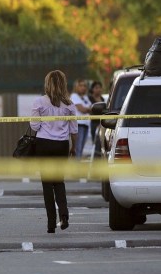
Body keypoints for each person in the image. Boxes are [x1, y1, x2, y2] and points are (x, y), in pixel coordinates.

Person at [30, 70, 78, 233]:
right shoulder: (69, 104)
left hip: (44, 144)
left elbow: (34, 126)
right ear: (63, 84)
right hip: (61, 145)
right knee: (59, 182)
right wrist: (74, 147)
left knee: (46, 184)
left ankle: (51, 223)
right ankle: (64, 215)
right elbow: (74, 130)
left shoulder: (39, 102)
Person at [70, 78, 92, 158]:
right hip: (78, 125)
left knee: (81, 148)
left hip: (86, 125)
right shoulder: (74, 96)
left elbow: (90, 109)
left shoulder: (85, 97)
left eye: (84, 86)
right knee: (77, 148)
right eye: (80, 85)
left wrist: (88, 109)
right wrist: (89, 109)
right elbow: (82, 109)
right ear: (76, 87)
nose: (83, 87)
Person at [88, 81, 106, 148]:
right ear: (92, 89)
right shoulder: (90, 98)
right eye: (96, 88)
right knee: (95, 141)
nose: (98, 89)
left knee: (101, 142)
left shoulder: (102, 99)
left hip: (101, 123)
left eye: (100, 88)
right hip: (93, 123)